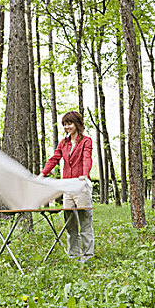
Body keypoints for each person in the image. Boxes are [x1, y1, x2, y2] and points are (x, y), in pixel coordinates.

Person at [39, 111, 94, 263]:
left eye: (69, 124)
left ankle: (88, 256)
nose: (67, 127)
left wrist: (85, 174)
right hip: (67, 187)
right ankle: (74, 255)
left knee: (85, 221)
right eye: (64, 124)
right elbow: (54, 158)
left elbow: (87, 158)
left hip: (81, 185)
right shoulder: (63, 143)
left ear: (77, 124)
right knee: (70, 223)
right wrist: (43, 174)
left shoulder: (86, 141)